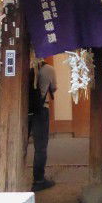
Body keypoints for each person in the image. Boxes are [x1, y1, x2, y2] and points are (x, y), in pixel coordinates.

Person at [29, 59, 57, 192]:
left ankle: (15, 175)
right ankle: (39, 180)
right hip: (41, 109)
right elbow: (54, 88)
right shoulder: (48, 69)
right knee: (40, 147)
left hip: (24, 110)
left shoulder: (23, 67)